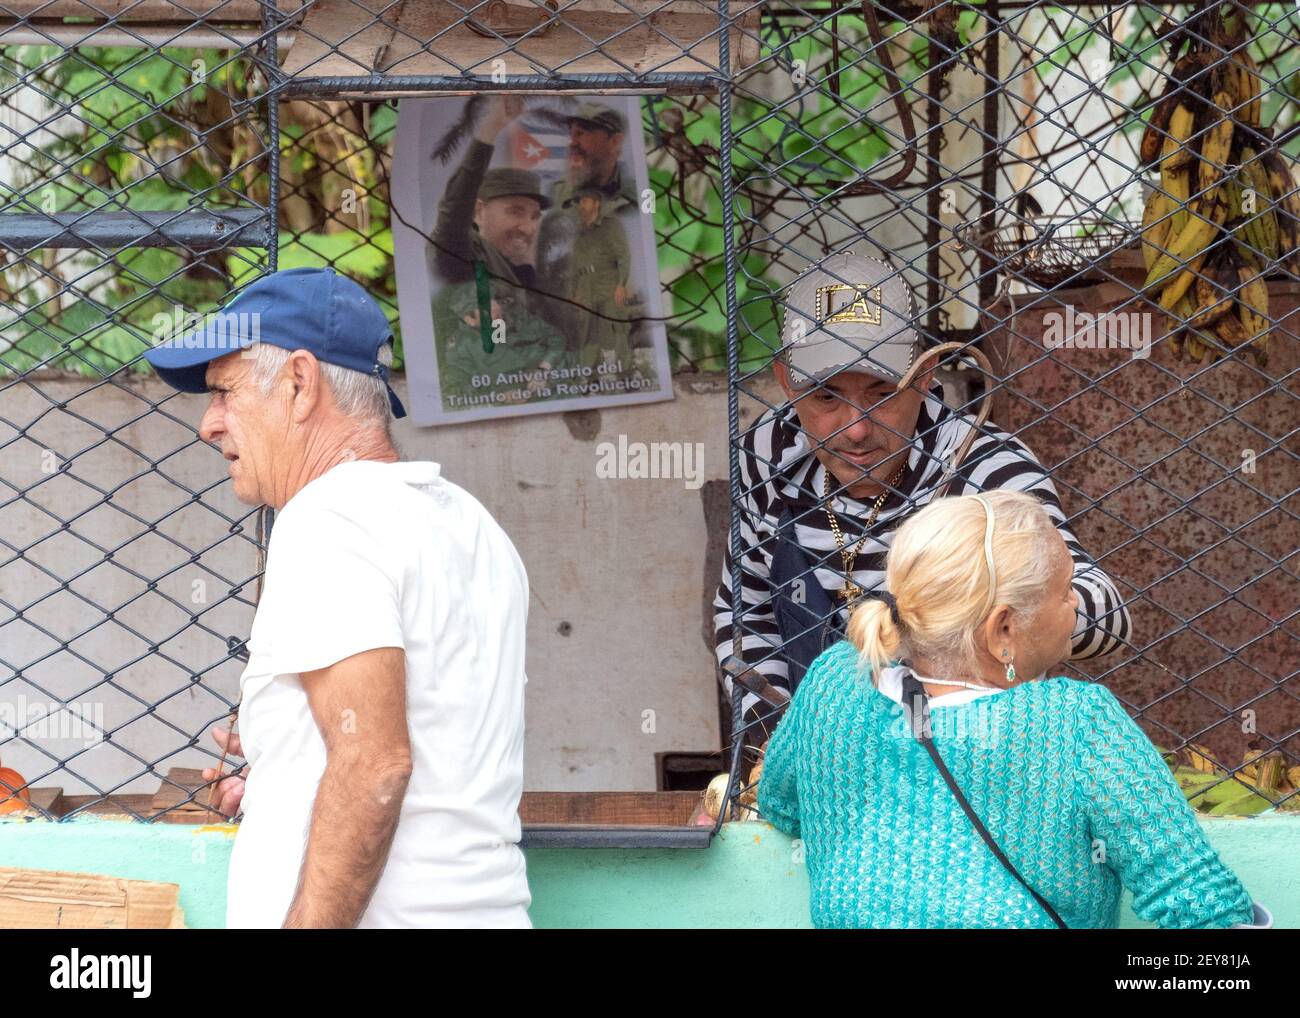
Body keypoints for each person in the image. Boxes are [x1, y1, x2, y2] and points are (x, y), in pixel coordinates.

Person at [143, 267, 532, 928]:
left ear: (300, 382)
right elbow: (426, 735)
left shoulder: (331, 516)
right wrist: (283, 761)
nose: (210, 425)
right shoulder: (469, 523)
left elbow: (375, 765)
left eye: (224, 392)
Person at [758, 490, 1271, 929]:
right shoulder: (1073, 721)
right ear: (1004, 628)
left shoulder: (835, 680)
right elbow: (1203, 906)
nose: (1076, 605)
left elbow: (781, 805)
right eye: (1065, 590)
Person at [713, 251, 1131, 737]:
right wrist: (777, 740)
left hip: (966, 746)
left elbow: (1107, 613)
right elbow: (745, 611)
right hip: (815, 740)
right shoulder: (769, 453)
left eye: (882, 392)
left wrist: (976, 616)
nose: (855, 429)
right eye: (826, 395)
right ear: (786, 382)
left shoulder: (984, 468)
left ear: (927, 374)